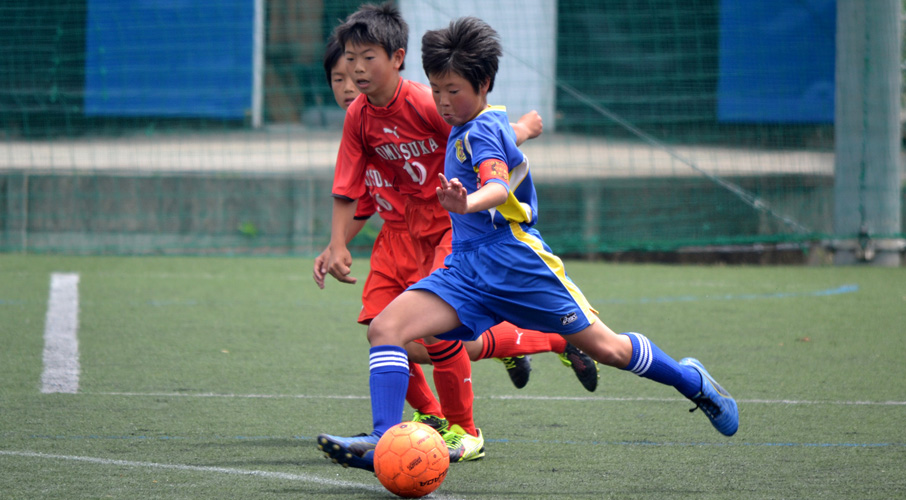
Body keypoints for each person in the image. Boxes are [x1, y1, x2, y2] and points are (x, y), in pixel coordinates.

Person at [316, 15, 739, 472]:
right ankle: (383, 438)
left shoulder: (480, 131)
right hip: (466, 269)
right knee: (386, 329)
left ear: (484, 84)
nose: (442, 101)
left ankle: (692, 381)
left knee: (610, 350)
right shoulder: (466, 124)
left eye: (453, 90)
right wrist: (522, 131)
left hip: (518, 263)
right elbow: (502, 143)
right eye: (437, 89)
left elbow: (497, 185)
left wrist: (467, 202)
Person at [314, 4, 599, 468]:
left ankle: (464, 426)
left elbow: (481, 135)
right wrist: (338, 243)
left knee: (439, 340)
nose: (352, 77)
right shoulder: (360, 122)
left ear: (397, 58)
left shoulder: (427, 102)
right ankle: (418, 423)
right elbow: (351, 191)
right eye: (344, 69)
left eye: (365, 61)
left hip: (447, 227)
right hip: (397, 237)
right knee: (383, 330)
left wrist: (522, 129)